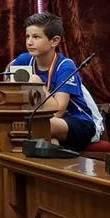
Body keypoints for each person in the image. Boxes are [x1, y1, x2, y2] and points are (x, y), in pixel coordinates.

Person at [8, 12, 97, 151]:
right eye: (27, 36)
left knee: (39, 125)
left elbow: (57, 112)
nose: (29, 42)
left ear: (54, 41)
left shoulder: (65, 66)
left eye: (36, 37)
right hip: (40, 120)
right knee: (48, 138)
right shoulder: (23, 61)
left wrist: (38, 85)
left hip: (77, 121)